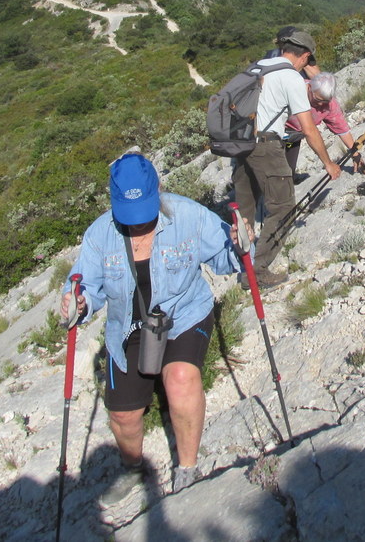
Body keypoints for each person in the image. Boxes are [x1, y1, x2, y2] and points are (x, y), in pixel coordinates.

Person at [60, 153, 243, 501]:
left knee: (181, 378)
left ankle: (187, 469)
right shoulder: (100, 235)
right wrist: (77, 303)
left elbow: (226, 258)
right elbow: (84, 288)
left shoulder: (188, 215)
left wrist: (239, 243)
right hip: (128, 327)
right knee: (124, 416)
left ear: (158, 188)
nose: (138, 223)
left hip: (184, 313)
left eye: (145, 207)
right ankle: (132, 467)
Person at [232, 29, 341, 288]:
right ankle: (257, 271)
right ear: (303, 56)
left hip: (241, 143)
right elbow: (308, 128)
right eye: (309, 60)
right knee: (283, 207)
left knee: (245, 208)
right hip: (266, 145)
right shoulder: (290, 77)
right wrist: (328, 162)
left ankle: (242, 261)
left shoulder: (259, 67)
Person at [283, 71, 365, 178]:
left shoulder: (330, 104)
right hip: (275, 131)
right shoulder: (293, 90)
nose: (320, 104)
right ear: (309, 88)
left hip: (294, 138)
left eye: (325, 101)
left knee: (287, 173)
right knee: (270, 168)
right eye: (317, 99)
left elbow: (342, 129)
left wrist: (355, 154)